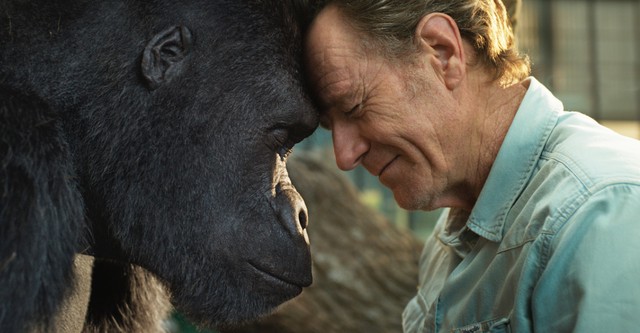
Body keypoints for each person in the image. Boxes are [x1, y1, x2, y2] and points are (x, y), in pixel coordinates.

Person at [304, 1, 640, 332]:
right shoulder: (452, 236)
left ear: (443, 52)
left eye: (353, 106)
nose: (344, 156)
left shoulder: (602, 213)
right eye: (330, 128)